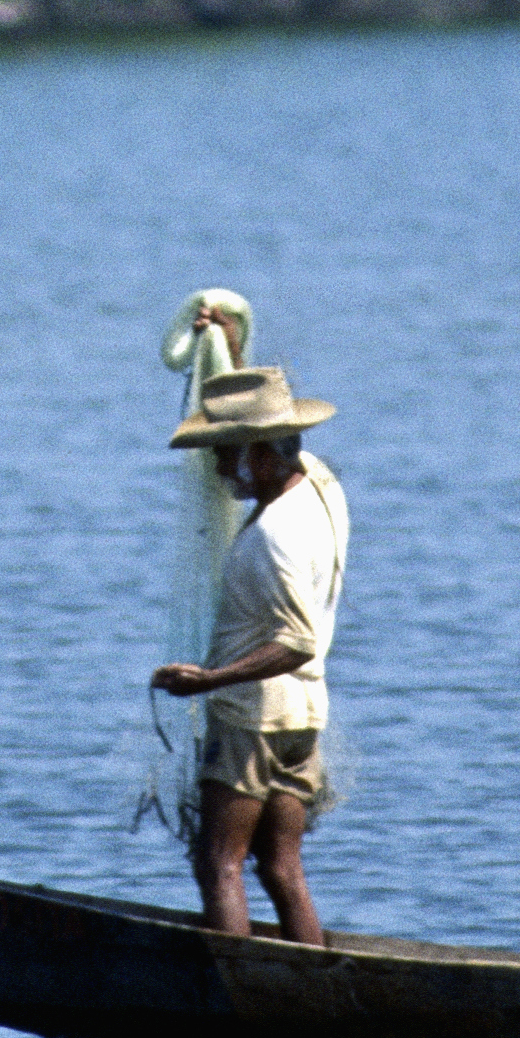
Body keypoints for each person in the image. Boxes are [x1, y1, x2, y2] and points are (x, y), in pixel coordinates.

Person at [145, 363, 350, 944]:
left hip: (252, 720)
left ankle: (240, 994)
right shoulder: (320, 483)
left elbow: (296, 641)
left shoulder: (274, 536)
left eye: (224, 452)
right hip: (306, 715)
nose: (216, 467)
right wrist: (227, 348)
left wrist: (207, 681)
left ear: (261, 454)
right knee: (281, 866)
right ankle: (312, 991)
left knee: (219, 864)